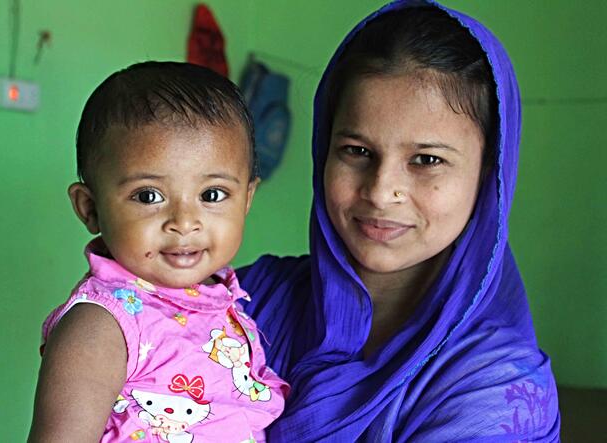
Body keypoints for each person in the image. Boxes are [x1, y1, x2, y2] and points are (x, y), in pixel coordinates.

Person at [238, 1, 560, 441]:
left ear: (489, 174)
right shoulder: (243, 302)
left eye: (427, 160)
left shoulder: (498, 389)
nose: (380, 190)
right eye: (356, 151)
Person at [28, 61, 288, 442]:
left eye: (211, 195)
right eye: (149, 196)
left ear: (246, 199)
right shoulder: (103, 325)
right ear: (90, 208)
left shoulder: (224, 298)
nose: (184, 222)